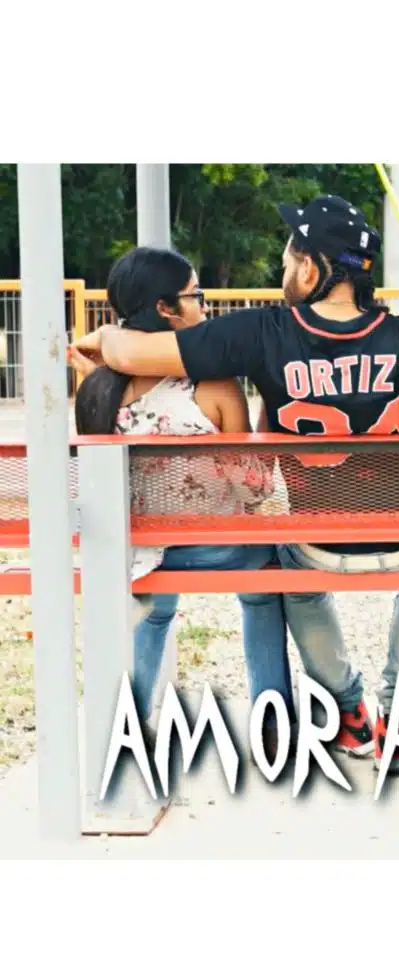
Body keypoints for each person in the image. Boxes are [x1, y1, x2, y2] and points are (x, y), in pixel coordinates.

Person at [70, 196, 399, 776]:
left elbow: (127, 349)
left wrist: (105, 340)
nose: (281, 268)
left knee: (294, 578)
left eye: (288, 258)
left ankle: (348, 708)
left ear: (310, 268)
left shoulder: (262, 331)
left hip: (317, 542)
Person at [69, 247, 295, 759]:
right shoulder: (212, 385)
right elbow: (255, 488)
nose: (205, 307)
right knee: (263, 585)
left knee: (154, 607)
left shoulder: (98, 389)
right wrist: (267, 416)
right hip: (217, 549)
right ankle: (271, 719)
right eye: (197, 296)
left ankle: (133, 718)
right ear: (167, 309)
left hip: (138, 553)